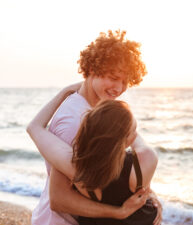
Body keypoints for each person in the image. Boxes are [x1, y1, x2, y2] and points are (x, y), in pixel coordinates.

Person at [27, 30, 162, 225]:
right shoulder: (76, 122)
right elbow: (59, 198)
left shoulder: (95, 114)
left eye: (125, 81)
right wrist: (120, 212)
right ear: (92, 69)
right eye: (113, 77)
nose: (119, 88)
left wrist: (147, 195)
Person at [27, 84, 158, 225]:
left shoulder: (77, 168)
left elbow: (34, 127)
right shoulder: (144, 163)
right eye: (133, 130)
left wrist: (65, 92)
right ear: (126, 140)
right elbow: (137, 142)